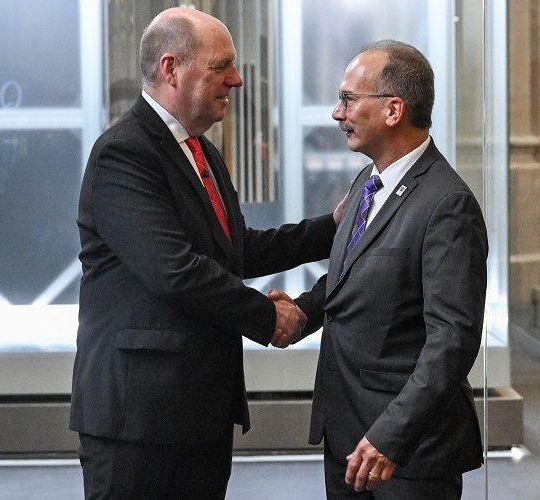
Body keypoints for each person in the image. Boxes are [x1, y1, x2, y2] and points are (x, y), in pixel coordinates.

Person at [71, 7, 342, 499]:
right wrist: (268, 316)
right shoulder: (123, 153)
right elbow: (174, 271)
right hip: (139, 420)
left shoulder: (201, 150)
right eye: (221, 66)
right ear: (171, 68)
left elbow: (236, 250)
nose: (236, 80)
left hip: (197, 412)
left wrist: (334, 229)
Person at [273, 41, 488, 499]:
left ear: (394, 110)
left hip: (405, 452)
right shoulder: (368, 183)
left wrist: (391, 435)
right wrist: (301, 314)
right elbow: (350, 277)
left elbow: (453, 339)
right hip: (348, 436)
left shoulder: (448, 205)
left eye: (349, 99)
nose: (336, 112)